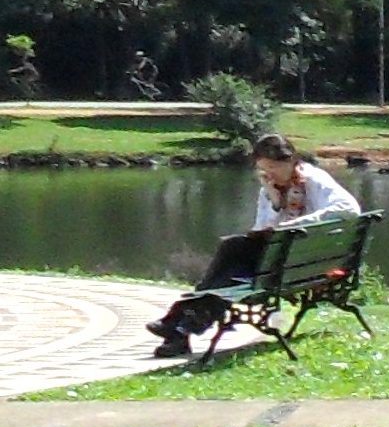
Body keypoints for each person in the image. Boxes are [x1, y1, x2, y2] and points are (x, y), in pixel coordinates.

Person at [143, 133, 362, 356]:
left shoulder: (313, 179)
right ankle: (180, 330)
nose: (268, 174)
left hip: (296, 264)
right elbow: (262, 227)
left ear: (290, 162)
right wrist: (275, 203)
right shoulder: (269, 189)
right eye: (263, 169)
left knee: (231, 257)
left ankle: (176, 323)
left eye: (273, 167)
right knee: (230, 260)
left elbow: (349, 209)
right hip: (282, 263)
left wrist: (298, 223)